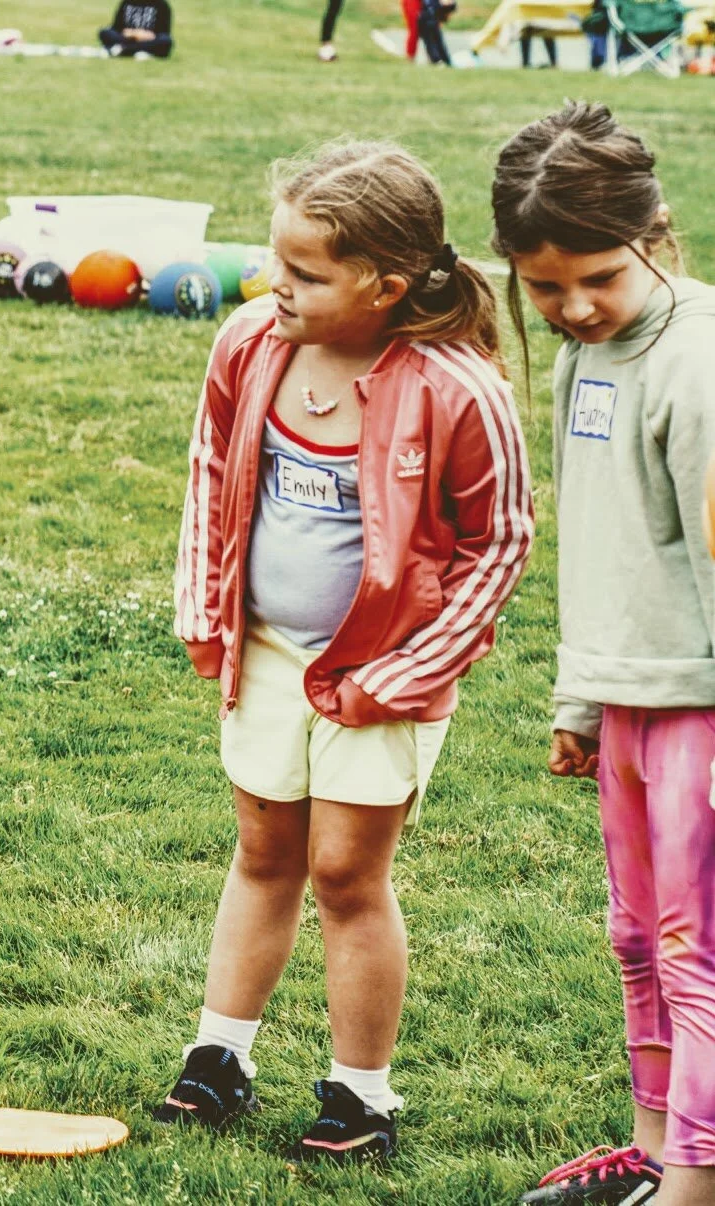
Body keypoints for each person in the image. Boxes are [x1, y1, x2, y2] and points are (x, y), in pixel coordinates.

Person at [161, 139, 532, 1162]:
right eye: (275, 263)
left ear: (385, 285)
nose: (272, 286)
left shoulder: (457, 389)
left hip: (389, 667)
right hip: (271, 654)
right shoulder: (249, 342)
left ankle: (360, 1096)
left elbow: (497, 543)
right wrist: (204, 606)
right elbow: (208, 470)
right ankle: (218, 1058)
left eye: (304, 274)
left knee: (343, 872)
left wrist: (403, 677)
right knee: (263, 848)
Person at [495, 102, 715, 1206]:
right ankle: (648, 1151)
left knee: (695, 950)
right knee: (633, 934)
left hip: (700, 711)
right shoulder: (582, 362)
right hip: (629, 701)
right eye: (543, 287)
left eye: (595, 277)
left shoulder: (698, 365)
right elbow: (594, 538)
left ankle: (693, 1184)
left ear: (651, 235)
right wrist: (579, 697)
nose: (572, 306)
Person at [101, 0, 174, 58]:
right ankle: (137, 50)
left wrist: (143, 36)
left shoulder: (162, 4)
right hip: (127, 38)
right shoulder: (126, 2)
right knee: (105, 32)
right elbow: (116, 27)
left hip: (148, 40)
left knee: (165, 41)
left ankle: (124, 49)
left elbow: (164, 32)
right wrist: (134, 34)